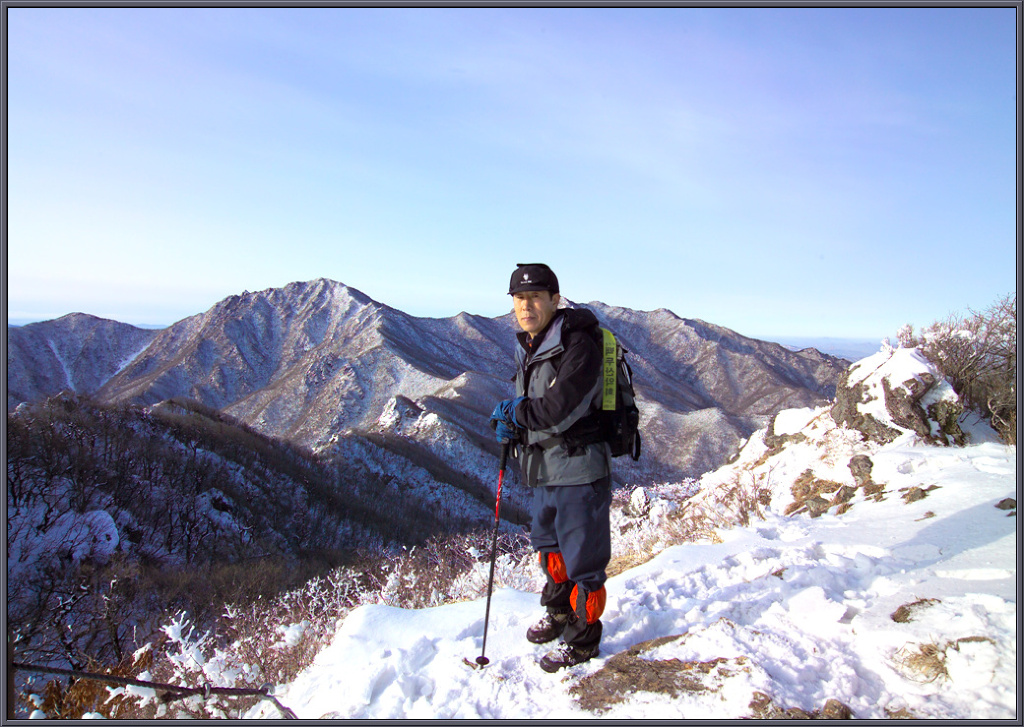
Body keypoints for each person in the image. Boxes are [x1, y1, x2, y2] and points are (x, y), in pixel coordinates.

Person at [490, 262, 612, 673]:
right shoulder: (530, 343)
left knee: (584, 562)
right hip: (542, 468)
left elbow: (562, 409)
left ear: (555, 300)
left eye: (535, 297)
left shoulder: (580, 344)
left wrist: (516, 413)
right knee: (550, 548)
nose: (526, 306)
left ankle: (583, 640)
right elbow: (536, 407)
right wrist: (514, 426)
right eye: (519, 299)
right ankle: (560, 613)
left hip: (579, 469)